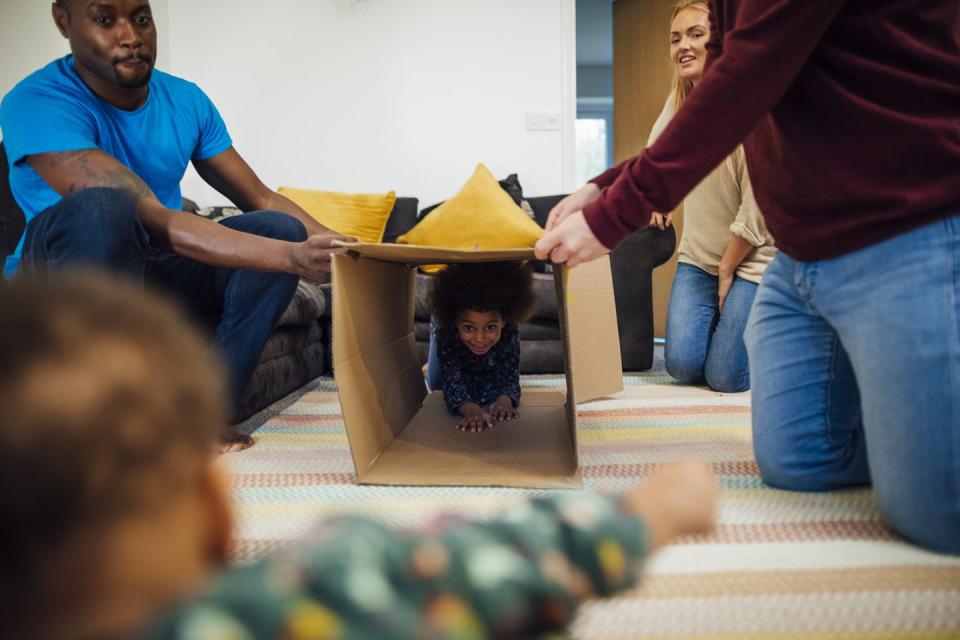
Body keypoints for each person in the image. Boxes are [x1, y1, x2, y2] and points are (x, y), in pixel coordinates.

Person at [0, 272, 718, 640]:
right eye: (466, 325)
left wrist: (502, 404)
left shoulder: (501, 340)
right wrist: (647, 512)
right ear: (217, 511)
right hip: (455, 398)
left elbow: (505, 382)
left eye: (487, 326)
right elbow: (470, 563)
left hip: (494, 396)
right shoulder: (269, 609)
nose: (478, 334)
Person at [535, 0, 960, 554]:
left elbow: (743, 80)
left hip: (903, 230)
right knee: (799, 462)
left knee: (934, 513)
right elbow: (719, 90)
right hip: (800, 256)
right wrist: (602, 187)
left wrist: (616, 213)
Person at [0, 0, 352, 444]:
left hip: (155, 267)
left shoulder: (185, 99)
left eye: (141, 18)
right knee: (106, 209)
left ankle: (201, 416)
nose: (131, 36)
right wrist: (292, 258)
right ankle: (103, 424)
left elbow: (260, 197)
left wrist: (354, 250)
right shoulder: (33, 102)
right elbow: (150, 214)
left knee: (279, 228)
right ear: (63, 20)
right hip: (60, 278)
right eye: (105, 20)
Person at [641, 0, 775, 392]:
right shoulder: (682, 101)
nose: (683, 46)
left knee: (726, 378)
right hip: (699, 257)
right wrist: (659, 197)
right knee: (681, 366)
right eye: (675, 38)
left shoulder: (754, 111)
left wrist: (728, 271)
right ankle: (729, 328)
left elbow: (757, 213)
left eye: (696, 35)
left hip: (754, 259)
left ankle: (778, 342)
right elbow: (658, 154)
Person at [426, 261, 535, 432]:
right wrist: (470, 410)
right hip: (447, 337)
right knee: (436, 386)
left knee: (488, 391)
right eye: (469, 327)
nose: (479, 338)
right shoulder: (446, 327)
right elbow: (451, 382)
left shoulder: (510, 327)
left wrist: (504, 401)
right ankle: (430, 362)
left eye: (490, 327)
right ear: (455, 321)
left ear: (504, 320)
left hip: (489, 357)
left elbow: (509, 375)